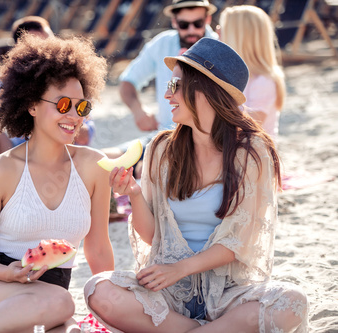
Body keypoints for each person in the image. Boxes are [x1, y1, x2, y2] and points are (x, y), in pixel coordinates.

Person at [84, 38, 308, 332]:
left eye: (174, 85)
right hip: (170, 292)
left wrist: (181, 268)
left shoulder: (252, 152)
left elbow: (240, 241)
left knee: (292, 302)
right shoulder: (161, 149)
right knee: (98, 289)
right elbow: (154, 236)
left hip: (229, 291)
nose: (166, 95)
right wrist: (135, 194)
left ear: (205, 90)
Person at [0, 34, 115, 332]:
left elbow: (98, 248)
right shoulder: (1, 171)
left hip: (50, 299)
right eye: (63, 104)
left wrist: (111, 301)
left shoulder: (94, 166)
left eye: (82, 107)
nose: (73, 116)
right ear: (31, 105)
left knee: (72, 326)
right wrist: (7, 274)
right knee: (62, 302)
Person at [0, 16, 95, 174]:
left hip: (64, 161)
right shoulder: (6, 85)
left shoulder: (71, 84)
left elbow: (85, 136)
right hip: (20, 160)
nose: (46, 52)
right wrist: (11, 114)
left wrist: (58, 117)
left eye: (49, 43)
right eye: (38, 47)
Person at [102, 0, 218, 170]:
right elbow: (128, 81)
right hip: (163, 136)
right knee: (98, 160)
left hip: (204, 143)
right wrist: (138, 111)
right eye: (184, 24)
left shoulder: (220, 47)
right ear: (174, 22)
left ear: (208, 20)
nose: (192, 30)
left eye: (198, 23)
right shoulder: (162, 44)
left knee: (143, 171)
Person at [218, 5, 286, 139]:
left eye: (223, 28)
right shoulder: (230, 73)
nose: (217, 32)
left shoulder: (263, 81)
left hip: (252, 155)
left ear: (240, 37)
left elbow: (247, 130)